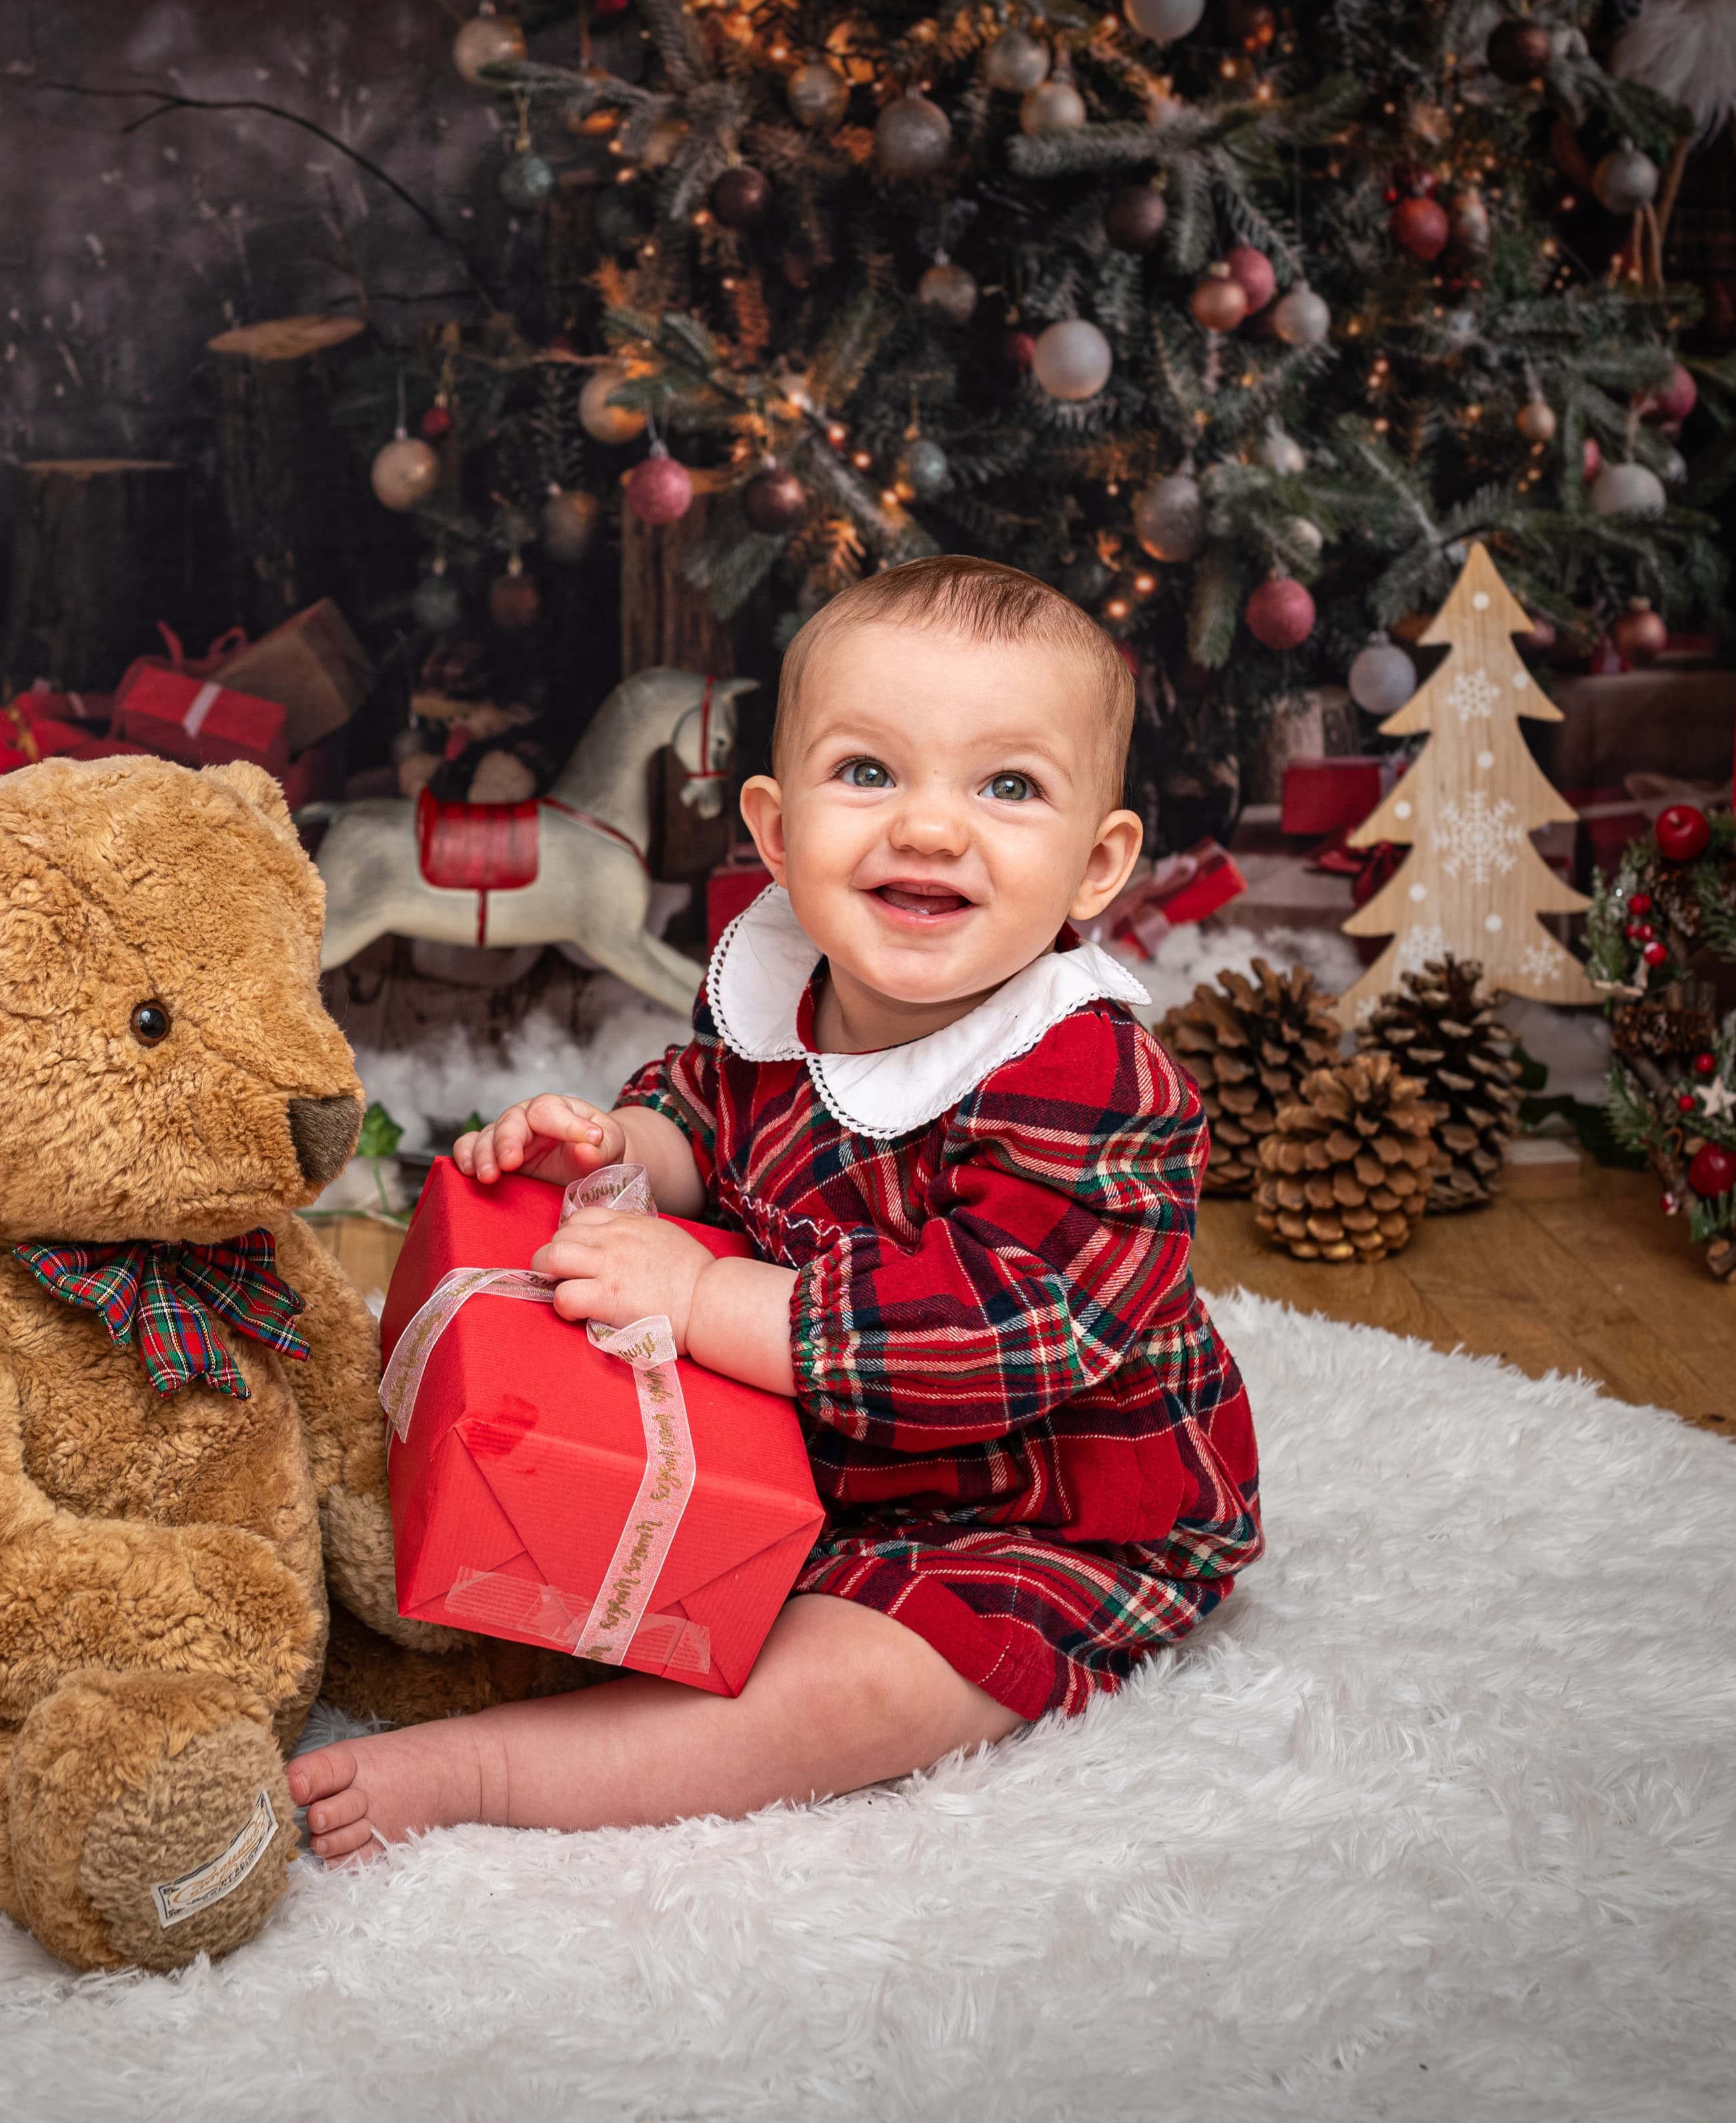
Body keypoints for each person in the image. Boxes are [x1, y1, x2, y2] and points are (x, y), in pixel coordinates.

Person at [290, 556, 1262, 1860]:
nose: (926, 827)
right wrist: (610, 1146)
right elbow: (707, 1118)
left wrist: (703, 1296)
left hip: (1042, 1506)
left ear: (1097, 864)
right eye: (869, 772)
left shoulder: (1087, 1076)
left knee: (854, 1683)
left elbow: (1003, 1335)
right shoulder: (785, 990)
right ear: (773, 825)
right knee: (581, 1493)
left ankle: (498, 1772)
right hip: (822, 1454)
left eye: (1008, 785)